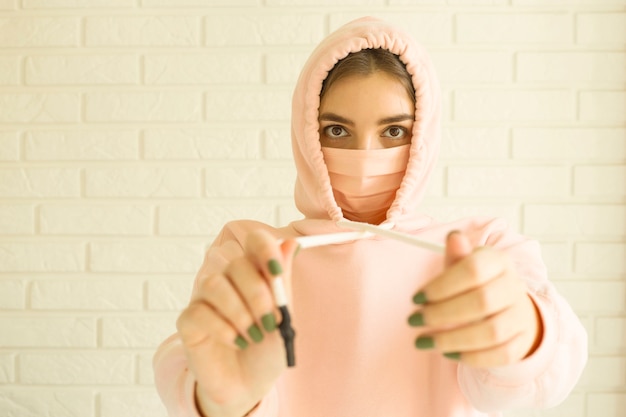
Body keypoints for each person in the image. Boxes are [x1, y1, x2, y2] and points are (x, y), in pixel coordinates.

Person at [153, 17, 587, 417]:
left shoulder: (481, 252)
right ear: (307, 135)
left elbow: (541, 375)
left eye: (393, 131)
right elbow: (191, 363)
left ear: (423, 137)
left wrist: (525, 333)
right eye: (337, 131)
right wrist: (220, 398)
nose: (366, 157)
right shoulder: (252, 254)